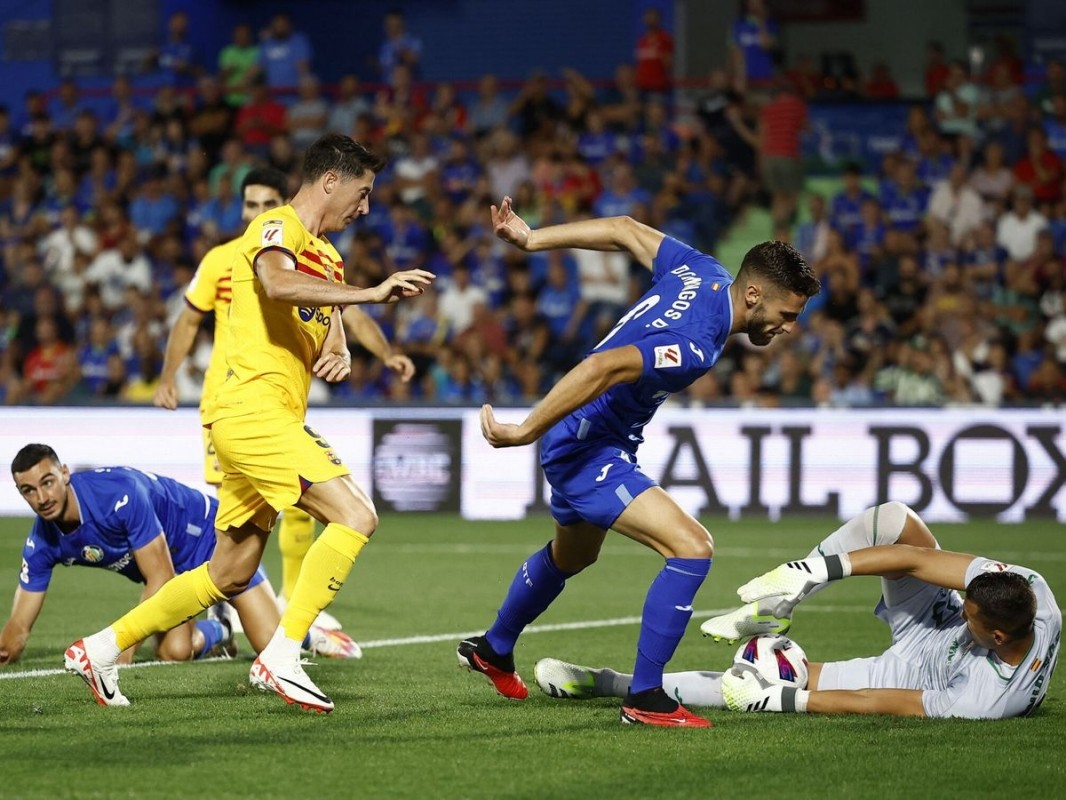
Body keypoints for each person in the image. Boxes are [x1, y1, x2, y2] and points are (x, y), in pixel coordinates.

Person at [64, 133, 434, 713]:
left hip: (264, 417)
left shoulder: (329, 256)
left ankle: (103, 648)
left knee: (231, 571)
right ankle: (282, 654)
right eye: (361, 193)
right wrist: (373, 291)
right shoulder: (276, 228)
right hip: (250, 411)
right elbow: (275, 282)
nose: (365, 208)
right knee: (356, 515)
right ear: (329, 180)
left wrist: (341, 346)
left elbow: (327, 322)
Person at [459, 197, 820, 727]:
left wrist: (533, 239)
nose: (789, 326)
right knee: (692, 548)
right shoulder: (697, 344)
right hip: (587, 445)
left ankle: (494, 648)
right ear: (753, 294)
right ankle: (646, 698)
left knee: (572, 556)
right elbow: (605, 366)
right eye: (786, 314)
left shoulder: (703, 271)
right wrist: (525, 428)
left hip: (593, 437)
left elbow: (625, 230)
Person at [154, 165, 415, 634]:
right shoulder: (222, 260)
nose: (258, 211)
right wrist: (167, 376)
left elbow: (342, 311)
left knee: (272, 523)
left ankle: (277, 602)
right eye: (250, 204)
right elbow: (188, 321)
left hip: (281, 403)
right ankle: (279, 625)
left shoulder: (312, 252)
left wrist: (382, 351)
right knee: (268, 514)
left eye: (265, 202)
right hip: (231, 403)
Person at [534, 501, 1060, 720]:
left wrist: (788, 699)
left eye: (970, 612)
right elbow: (915, 558)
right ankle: (776, 605)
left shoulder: (986, 701)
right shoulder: (1026, 590)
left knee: (757, 682)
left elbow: (879, 701)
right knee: (894, 518)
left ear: (993, 635)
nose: (963, 603)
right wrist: (811, 573)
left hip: (925, 672)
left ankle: (605, 683)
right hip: (939, 631)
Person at [0, 444, 360, 671]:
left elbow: (159, 577)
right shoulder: (42, 541)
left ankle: (311, 635)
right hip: (172, 568)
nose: (41, 497)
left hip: (212, 537)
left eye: (47, 482)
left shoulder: (119, 494)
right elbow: (18, 628)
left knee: (269, 644)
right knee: (175, 651)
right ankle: (220, 627)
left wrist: (118, 645)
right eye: (28, 491)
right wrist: (7, 648)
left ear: (65, 474)